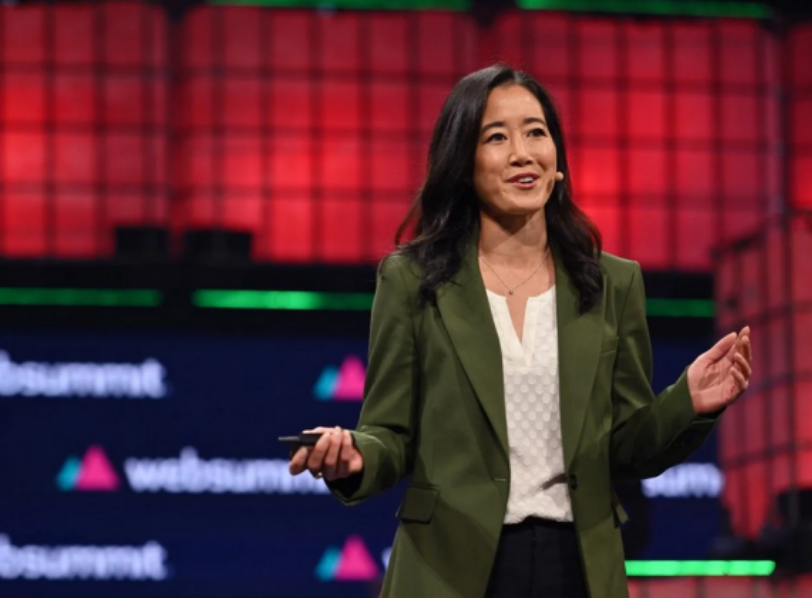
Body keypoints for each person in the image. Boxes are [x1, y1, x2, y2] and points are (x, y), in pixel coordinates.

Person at [288, 63, 752, 598]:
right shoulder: (412, 280)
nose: (522, 153)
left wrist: (687, 402)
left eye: (535, 132)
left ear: (557, 161)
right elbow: (391, 433)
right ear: (463, 163)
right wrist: (355, 455)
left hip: (576, 566)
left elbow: (626, 449)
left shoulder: (612, 283)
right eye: (496, 137)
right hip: (452, 564)